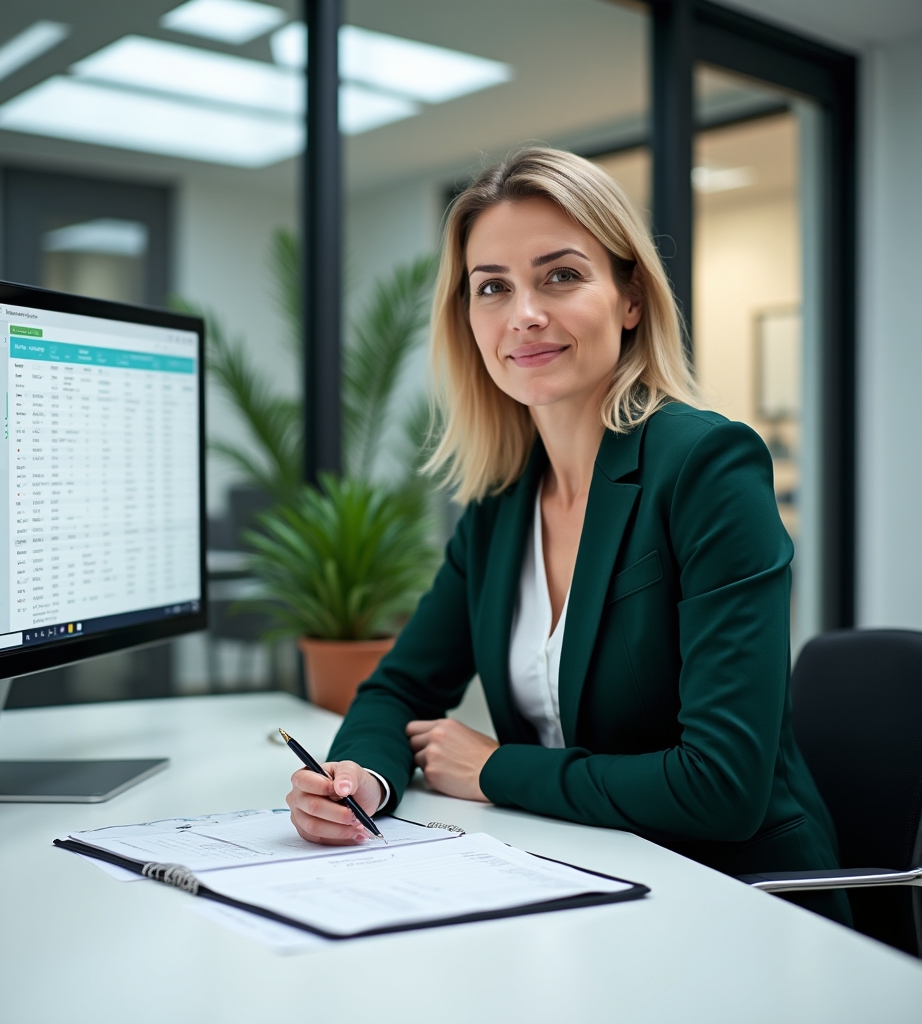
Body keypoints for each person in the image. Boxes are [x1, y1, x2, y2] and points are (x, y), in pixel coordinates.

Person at [285, 146, 849, 924]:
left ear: (629, 298)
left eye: (560, 275)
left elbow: (721, 786)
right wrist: (360, 780)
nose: (524, 314)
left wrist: (495, 770)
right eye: (493, 287)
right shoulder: (502, 502)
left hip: (737, 898)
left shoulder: (706, 466)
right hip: (581, 876)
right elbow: (401, 688)